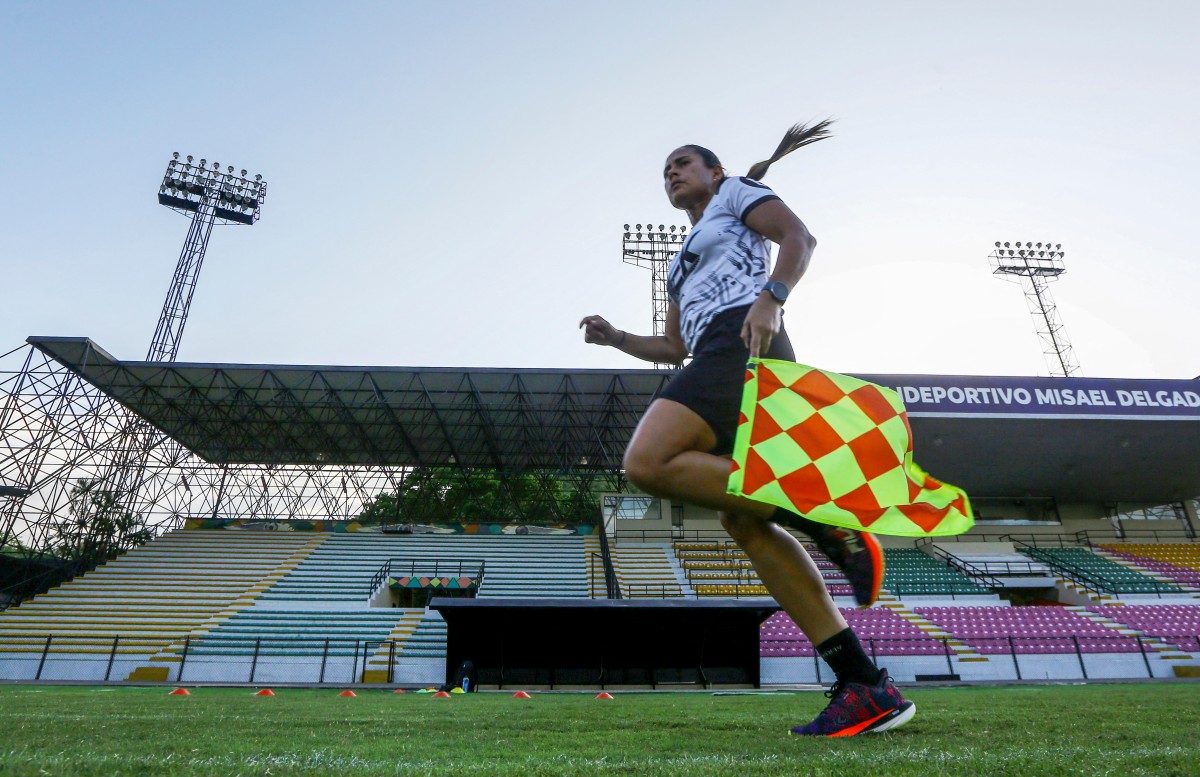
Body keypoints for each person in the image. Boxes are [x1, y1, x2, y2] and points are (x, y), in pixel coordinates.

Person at [580, 123, 915, 736]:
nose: (671, 173)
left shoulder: (737, 193)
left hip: (745, 338)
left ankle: (822, 519)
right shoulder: (681, 261)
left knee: (648, 462)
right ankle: (863, 684)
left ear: (713, 172)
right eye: (665, 171)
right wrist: (617, 337)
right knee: (743, 518)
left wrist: (773, 297)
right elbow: (673, 344)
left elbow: (798, 236)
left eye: (683, 164)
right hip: (713, 349)